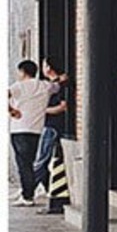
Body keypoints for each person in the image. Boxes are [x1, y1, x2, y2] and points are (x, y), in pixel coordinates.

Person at [8, 58, 51, 205]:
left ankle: (27, 196)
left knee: (23, 165)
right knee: (30, 163)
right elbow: (58, 85)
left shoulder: (18, 86)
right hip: (36, 130)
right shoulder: (44, 85)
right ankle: (28, 192)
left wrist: (12, 111)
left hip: (19, 129)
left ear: (22, 72)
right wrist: (58, 77)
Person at [32, 56, 69, 211]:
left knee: (40, 161)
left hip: (52, 127)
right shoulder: (53, 84)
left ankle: (27, 191)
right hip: (46, 125)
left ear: (49, 67)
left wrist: (42, 110)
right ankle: (50, 191)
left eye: (44, 65)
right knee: (43, 161)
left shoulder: (62, 86)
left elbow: (63, 106)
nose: (42, 68)